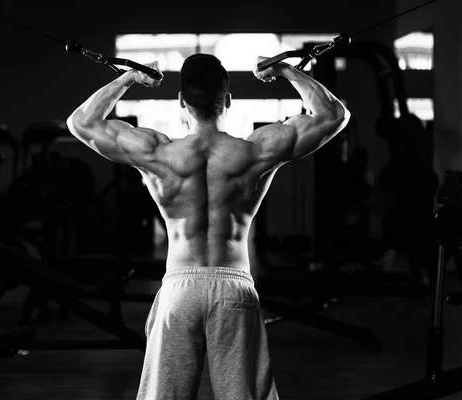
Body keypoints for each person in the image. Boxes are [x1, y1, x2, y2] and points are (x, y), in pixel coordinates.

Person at [66, 53, 350, 400]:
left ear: (181, 100)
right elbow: (333, 115)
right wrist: (285, 70)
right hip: (234, 289)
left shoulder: (157, 153)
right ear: (227, 99)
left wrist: (128, 79)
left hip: (179, 291)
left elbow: (82, 123)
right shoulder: (256, 151)